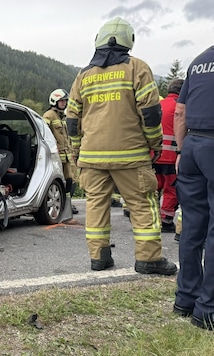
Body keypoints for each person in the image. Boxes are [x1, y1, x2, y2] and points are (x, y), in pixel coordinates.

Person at [66, 17, 177, 275]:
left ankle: (99, 258)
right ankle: (149, 259)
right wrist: (155, 143)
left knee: (96, 205)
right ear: (129, 41)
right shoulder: (137, 68)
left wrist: (76, 150)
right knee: (142, 204)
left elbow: (72, 119)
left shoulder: (83, 75)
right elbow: (150, 113)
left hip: (92, 157)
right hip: (132, 156)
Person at [172, 45, 214, 330]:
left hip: (192, 147)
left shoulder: (199, 61)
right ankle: (208, 309)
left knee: (192, 227)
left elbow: (180, 111)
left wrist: (181, 150)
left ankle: (185, 299)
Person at [43, 89, 78, 214]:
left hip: (68, 157)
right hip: (57, 157)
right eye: (61, 101)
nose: (64, 103)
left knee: (72, 181)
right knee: (59, 182)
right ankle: (62, 205)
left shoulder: (63, 116)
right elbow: (44, 135)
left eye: (65, 101)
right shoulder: (49, 115)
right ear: (54, 101)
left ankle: (67, 204)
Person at [155, 79, 183, 232]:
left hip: (155, 155)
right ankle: (166, 220)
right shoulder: (180, 106)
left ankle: (152, 217)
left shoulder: (159, 104)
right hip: (171, 156)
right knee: (171, 189)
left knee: (155, 187)